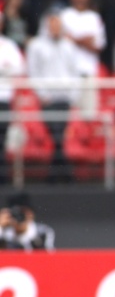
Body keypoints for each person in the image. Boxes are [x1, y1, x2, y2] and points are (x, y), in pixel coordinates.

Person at [26, 11, 81, 183]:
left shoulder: (69, 46)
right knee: (56, 134)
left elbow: (75, 72)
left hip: (65, 97)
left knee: (60, 135)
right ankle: (62, 173)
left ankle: (56, 173)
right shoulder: (36, 45)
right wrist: (42, 94)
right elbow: (33, 71)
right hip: (48, 98)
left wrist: (73, 95)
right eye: (53, 25)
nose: (56, 29)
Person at [0, 13, 25, 184]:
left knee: (1, 140)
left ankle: (2, 177)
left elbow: (19, 68)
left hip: (3, 97)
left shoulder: (9, 45)